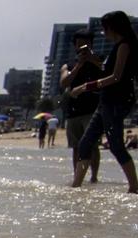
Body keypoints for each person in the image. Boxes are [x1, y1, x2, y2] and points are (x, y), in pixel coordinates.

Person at [69, 11, 138, 193]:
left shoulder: (125, 46)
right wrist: (92, 59)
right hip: (106, 101)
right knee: (85, 143)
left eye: (104, 28)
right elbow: (107, 69)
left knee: (116, 145)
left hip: (117, 101)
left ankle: (134, 187)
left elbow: (116, 77)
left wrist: (85, 86)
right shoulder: (117, 46)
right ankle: (76, 187)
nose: (103, 33)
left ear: (113, 28)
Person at [62, 29, 105, 184]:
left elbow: (109, 71)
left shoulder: (100, 60)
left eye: (86, 45)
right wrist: (79, 65)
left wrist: (92, 60)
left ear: (92, 44)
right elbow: (64, 82)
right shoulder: (69, 65)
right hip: (73, 111)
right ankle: (77, 176)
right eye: (79, 45)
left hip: (93, 109)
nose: (83, 48)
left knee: (92, 145)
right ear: (75, 46)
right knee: (76, 146)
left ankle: (94, 176)